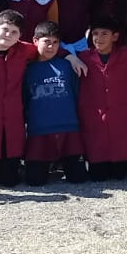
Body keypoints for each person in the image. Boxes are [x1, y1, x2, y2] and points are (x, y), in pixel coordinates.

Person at [0, 10, 86, 187]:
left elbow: (47, 46)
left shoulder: (23, 50)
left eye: (14, 32)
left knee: (9, 181)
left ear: (19, 36)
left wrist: (70, 56)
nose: (8, 35)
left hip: (10, 127)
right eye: (5, 29)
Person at [78, 18, 127, 180]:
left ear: (115, 36)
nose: (98, 38)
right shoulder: (83, 57)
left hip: (120, 120)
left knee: (119, 174)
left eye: (104, 34)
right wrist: (68, 57)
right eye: (95, 34)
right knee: (98, 175)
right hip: (95, 119)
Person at [23, 20, 88, 186]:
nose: (51, 47)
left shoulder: (67, 66)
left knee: (78, 178)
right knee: (35, 181)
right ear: (35, 41)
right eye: (46, 42)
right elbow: (24, 99)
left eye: (55, 42)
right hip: (39, 130)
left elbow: (77, 94)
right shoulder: (27, 69)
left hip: (69, 128)